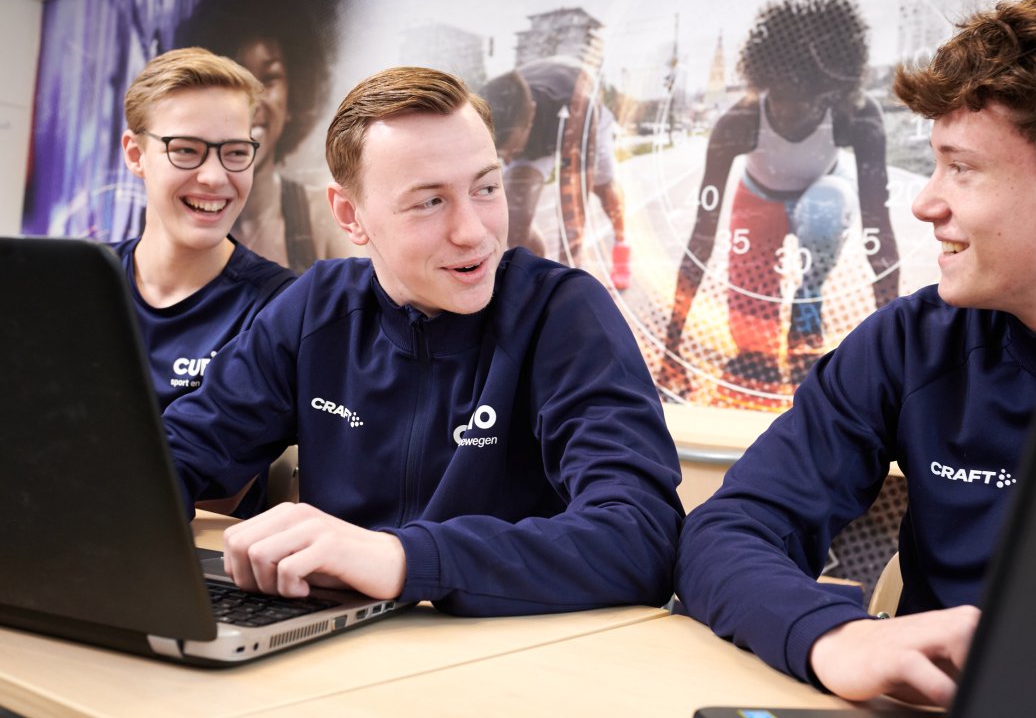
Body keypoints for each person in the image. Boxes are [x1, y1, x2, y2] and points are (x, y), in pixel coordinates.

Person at [675, 0, 1036, 709]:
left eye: (962, 168)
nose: (925, 202)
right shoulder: (910, 343)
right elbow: (727, 532)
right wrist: (833, 635)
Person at [161, 66, 685, 614]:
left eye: (486, 188)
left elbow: (642, 537)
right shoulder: (316, 308)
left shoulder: (563, 314)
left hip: (504, 648)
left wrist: (402, 559)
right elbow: (173, 456)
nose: (473, 231)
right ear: (350, 215)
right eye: (430, 202)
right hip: (329, 637)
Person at [660, 0, 900, 400]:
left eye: (807, 100)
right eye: (782, 96)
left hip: (824, 191)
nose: (791, 112)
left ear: (832, 92)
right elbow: (702, 236)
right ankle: (768, 330)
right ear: (765, 81)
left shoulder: (858, 115)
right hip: (758, 199)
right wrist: (672, 343)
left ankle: (806, 309)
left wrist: (896, 350)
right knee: (753, 343)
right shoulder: (737, 121)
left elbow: (880, 231)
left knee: (824, 210)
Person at [114, 46, 296, 515]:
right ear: (135, 154)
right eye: (186, 150)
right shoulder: (80, 286)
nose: (215, 177)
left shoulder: (280, 306)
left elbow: (217, 491)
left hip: (192, 546)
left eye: (235, 153)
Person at [175, 0, 356, 273]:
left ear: (294, 95)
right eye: (236, 77)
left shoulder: (325, 218)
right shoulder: (182, 217)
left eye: (268, 78)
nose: (253, 100)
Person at [480, 56, 632, 289]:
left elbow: (574, 208)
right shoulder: (486, 110)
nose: (507, 160)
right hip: (532, 121)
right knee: (514, 220)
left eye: (513, 151)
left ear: (531, 115)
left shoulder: (580, 108)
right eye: (502, 153)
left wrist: (569, 277)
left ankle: (621, 244)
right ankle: (539, 279)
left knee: (603, 188)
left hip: (578, 115)